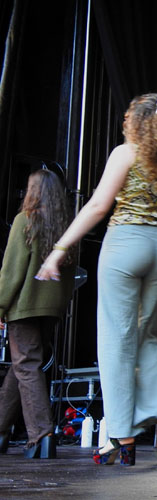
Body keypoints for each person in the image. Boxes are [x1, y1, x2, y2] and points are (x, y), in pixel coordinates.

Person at [36, 93, 157, 466]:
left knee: (116, 341)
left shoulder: (127, 153)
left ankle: (122, 434)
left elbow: (97, 206)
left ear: (137, 121)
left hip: (126, 244)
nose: (124, 123)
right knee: (145, 336)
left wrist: (59, 249)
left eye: (128, 118)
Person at [0, 170, 75, 459]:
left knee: (26, 366)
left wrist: (1, 306)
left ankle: (42, 435)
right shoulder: (65, 227)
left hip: (24, 307)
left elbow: (11, 272)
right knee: (22, 367)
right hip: (50, 310)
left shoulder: (25, 220)